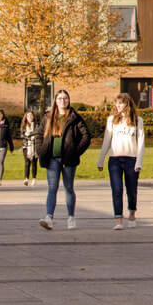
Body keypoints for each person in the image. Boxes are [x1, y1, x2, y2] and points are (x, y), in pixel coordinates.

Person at [35, 90, 93, 230]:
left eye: (65, 98)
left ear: (69, 100)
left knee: (68, 188)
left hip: (68, 159)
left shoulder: (74, 117)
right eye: (60, 98)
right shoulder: (48, 117)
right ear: (55, 100)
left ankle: (71, 217)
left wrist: (75, 152)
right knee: (52, 189)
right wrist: (40, 150)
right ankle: (49, 217)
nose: (62, 101)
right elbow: (38, 134)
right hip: (52, 159)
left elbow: (86, 137)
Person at [97, 93, 144, 230]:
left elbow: (141, 143)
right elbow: (106, 141)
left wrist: (139, 162)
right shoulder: (111, 120)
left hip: (131, 159)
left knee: (132, 190)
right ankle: (118, 220)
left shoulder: (137, 120)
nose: (118, 106)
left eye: (120, 103)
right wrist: (101, 160)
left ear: (127, 104)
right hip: (115, 160)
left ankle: (132, 213)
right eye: (116, 103)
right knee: (117, 189)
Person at [21, 111, 40, 186]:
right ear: (26, 117)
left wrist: (31, 134)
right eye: (28, 116)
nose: (30, 117)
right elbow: (22, 135)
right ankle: (26, 178)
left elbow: (38, 132)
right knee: (27, 162)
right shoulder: (24, 125)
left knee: (34, 163)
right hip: (26, 146)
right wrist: (27, 136)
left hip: (35, 146)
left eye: (31, 115)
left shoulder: (36, 125)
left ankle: (34, 178)